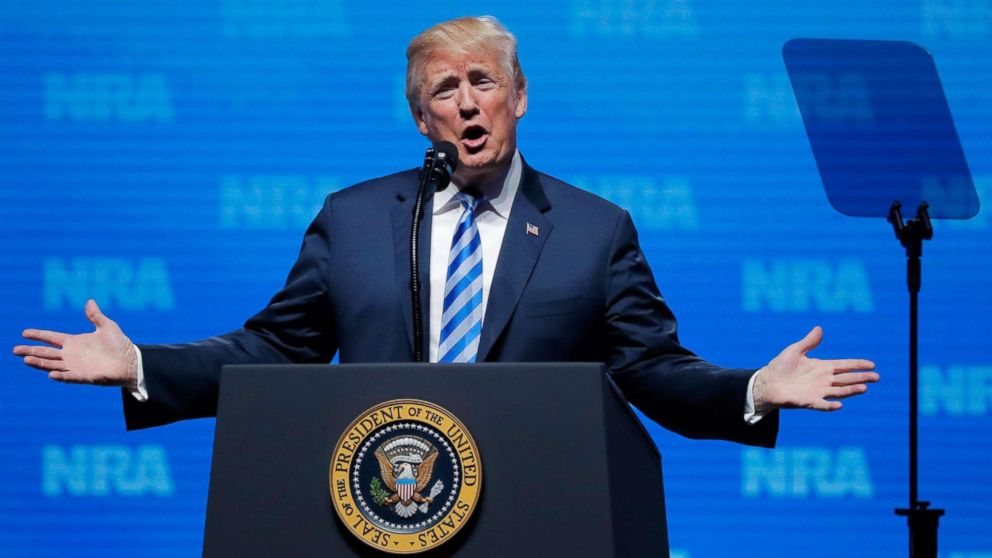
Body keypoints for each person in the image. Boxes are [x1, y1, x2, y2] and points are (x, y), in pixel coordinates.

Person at [13, 16, 877, 444]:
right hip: (377, 501)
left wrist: (753, 389)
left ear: (519, 94)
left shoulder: (593, 229)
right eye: (443, 91)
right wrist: (142, 367)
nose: (467, 102)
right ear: (421, 120)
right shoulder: (352, 219)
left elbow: (650, 370)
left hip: (540, 510)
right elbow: (278, 351)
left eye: (482, 80)